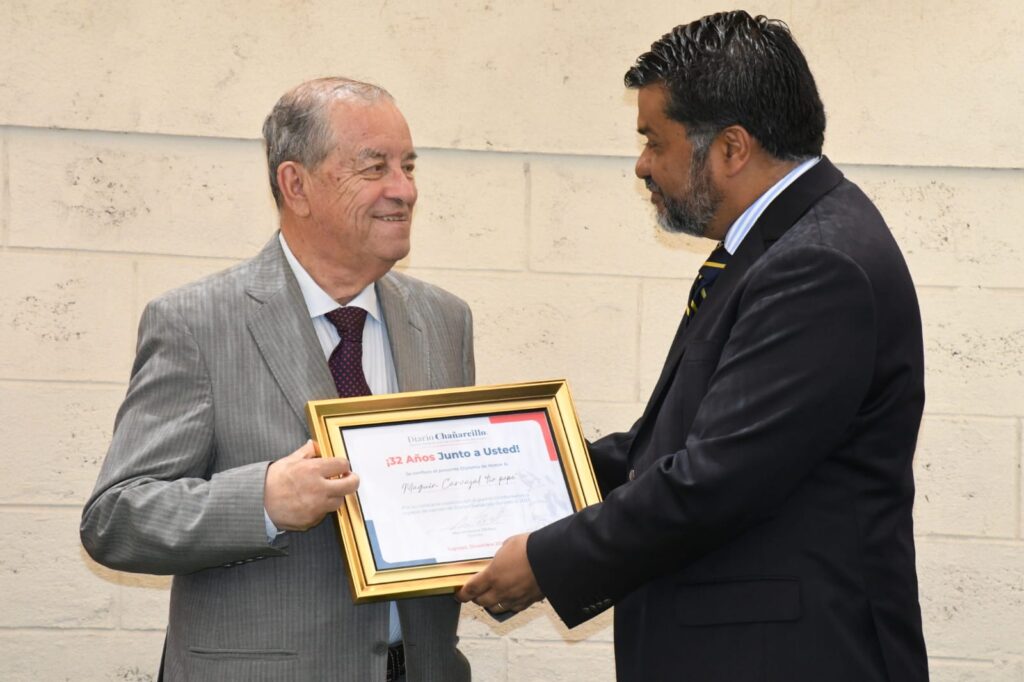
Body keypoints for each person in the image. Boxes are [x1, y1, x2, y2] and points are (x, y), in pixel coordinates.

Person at [457, 11, 929, 681]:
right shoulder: (778, 247)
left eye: (655, 141)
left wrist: (544, 561)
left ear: (731, 148)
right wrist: (520, 465)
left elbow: (714, 481)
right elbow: (675, 448)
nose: (642, 165)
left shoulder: (818, 264)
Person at [81, 77, 474, 682]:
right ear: (296, 185)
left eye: (409, 166)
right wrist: (262, 501)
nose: (405, 189)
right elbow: (116, 519)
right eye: (375, 167)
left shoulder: (444, 320)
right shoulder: (196, 322)